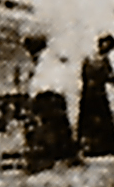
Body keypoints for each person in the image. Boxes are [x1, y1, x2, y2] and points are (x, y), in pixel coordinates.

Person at [25, 37, 79, 166]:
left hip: (47, 96)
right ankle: (66, 155)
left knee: (48, 128)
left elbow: (39, 82)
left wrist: (32, 96)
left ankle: (51, 156)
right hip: (57, 95)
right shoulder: (52, 58)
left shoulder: (43, 61)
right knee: (59, 127)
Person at [77, 33, 114, 156]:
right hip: (91, 93)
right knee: (91, 119)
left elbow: (110, 76)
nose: (107, 49)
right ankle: (89, 146)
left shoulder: (102, 61)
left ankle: (102, 146)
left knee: (102, 120)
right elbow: (87, 76)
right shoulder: (91, 59)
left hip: (96, 93)